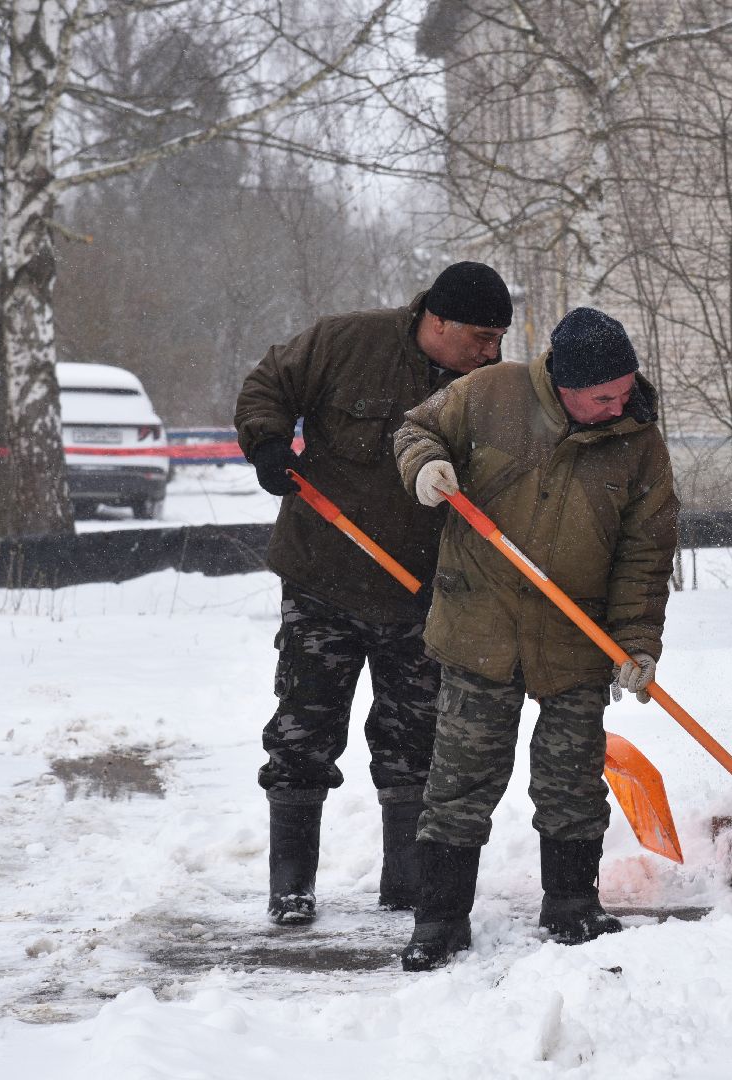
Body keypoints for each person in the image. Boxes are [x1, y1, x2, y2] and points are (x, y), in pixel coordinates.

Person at [392, 306, 678, 971]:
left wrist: (637, 642)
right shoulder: (489, 393)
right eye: (603, 397)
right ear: (564, 385)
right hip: (479, 624)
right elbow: (415, 429)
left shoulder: (639, 443)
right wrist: (425, 465)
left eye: (625, 390)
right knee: (460, 780)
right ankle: (439, 919)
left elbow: (645, 554)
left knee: (572, 780)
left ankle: (573, 906)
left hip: (577, 638)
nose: (619, 405)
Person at [234, 261, 513, 925]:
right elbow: (268, 385)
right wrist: (268, 443)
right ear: (437, 321)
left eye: (499, 338)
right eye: (481, 336)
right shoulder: (346, 342)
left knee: (413, 739)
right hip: (322, 576)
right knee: (303, 732)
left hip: (421, 592)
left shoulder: (487, 389)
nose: (491, 351)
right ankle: (291, 887)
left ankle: (406, 886)